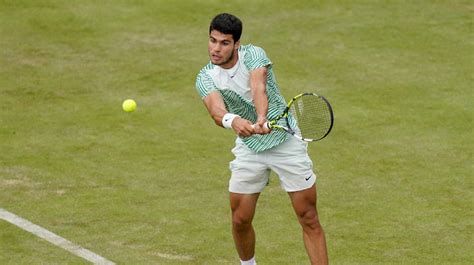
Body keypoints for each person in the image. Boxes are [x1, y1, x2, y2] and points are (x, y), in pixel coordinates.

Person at [195, 13, 328, 265]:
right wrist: (233, 121)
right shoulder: (205, 77)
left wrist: (260, 116)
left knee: (308, 216)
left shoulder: (254, 55)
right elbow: (216, 111)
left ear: (237, 44)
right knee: (240, 219)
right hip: (249, 148)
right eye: (212, 40)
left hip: (286, 144)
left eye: (224, 43)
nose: (216, 48)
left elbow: (258, 87)